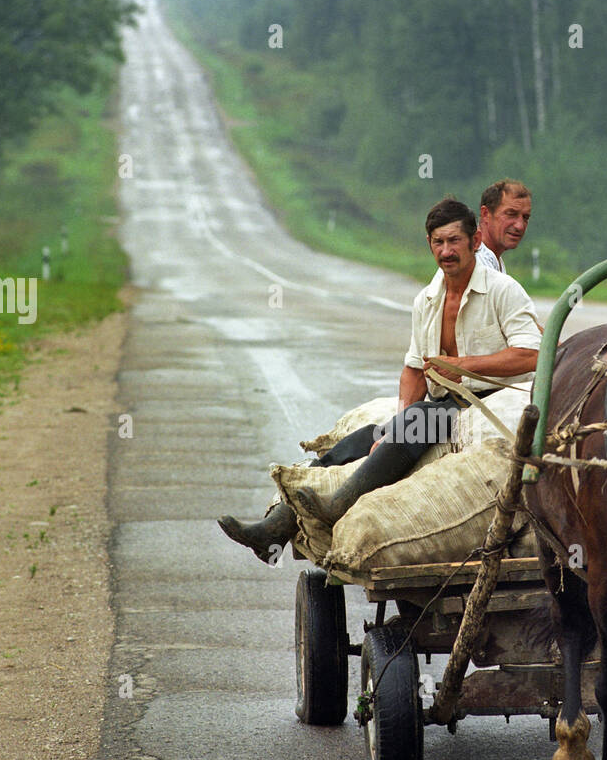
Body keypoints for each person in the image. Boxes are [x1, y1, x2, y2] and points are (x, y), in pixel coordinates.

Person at [217, 198, 542, 562]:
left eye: (454, 241)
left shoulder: (502, 290)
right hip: (439, 404)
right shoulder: (427, 300)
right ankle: (276, 526)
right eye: (438, 242)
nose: (446, 251)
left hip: (486, 402)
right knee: (359, 441)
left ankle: (337, 504)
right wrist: (398, 419)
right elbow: (414, 369)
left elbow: (532, 353)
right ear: (429, 244)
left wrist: (467, 364)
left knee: (414, 426)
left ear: (476, 241)